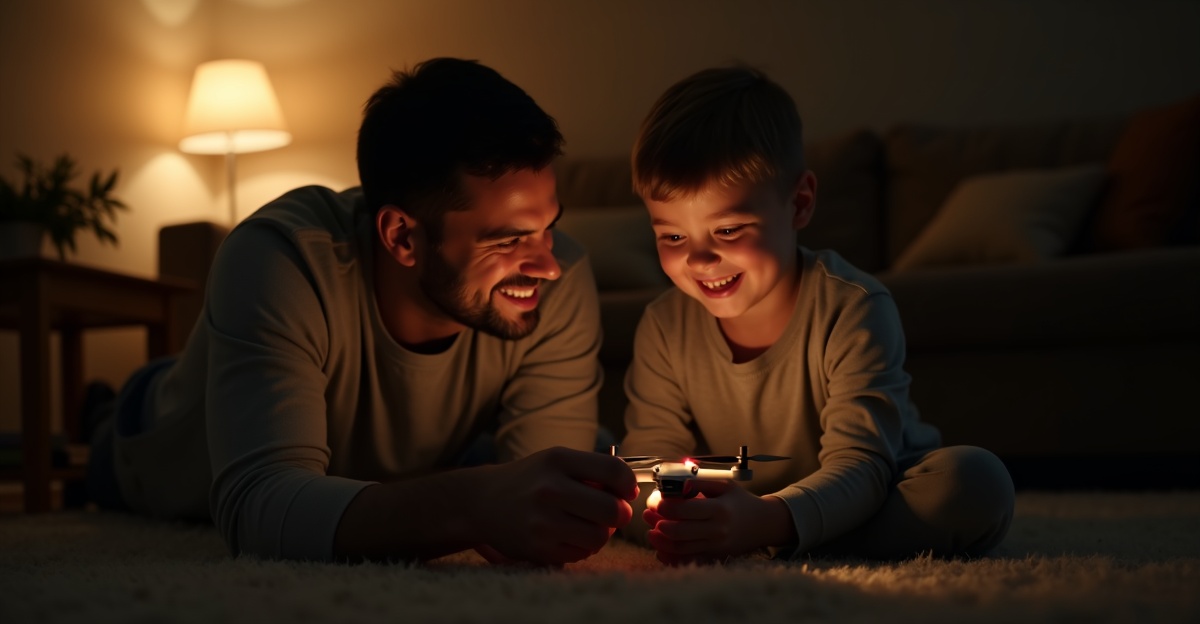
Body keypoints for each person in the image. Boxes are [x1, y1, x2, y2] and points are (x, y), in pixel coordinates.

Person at [87, 57, 638, 565]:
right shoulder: (281, 258)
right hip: (157, 446)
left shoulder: (559, 277)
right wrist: (473, 502)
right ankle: (99, 412)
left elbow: (540, 504)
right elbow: (257, 506)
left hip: (396, 455)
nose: (546, 264)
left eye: (549, 227)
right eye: (509, 240)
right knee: (102, 449)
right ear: (401, 236)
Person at [618, 65, 1015, 564]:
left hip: (870, 489)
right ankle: (763, 534)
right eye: (672, 236)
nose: (698, 259)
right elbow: (653, 462)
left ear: (799, 203)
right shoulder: (664, 325)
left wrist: (763, 520)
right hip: (740, 499)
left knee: (974, 484)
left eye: (728, 230)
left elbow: (862, 466)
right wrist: (673, 512)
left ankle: (768, 535)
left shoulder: (852, 306)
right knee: (610, 478)